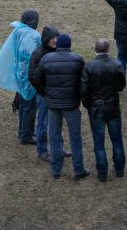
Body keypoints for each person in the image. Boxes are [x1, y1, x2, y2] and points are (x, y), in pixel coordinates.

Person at [33, 33, 89, 180]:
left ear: (58, 45)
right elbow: (84, 81)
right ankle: (78, 169)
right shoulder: (78, 60)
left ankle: (56, 169)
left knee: (54, 137)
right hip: (71, 105)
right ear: (69, 45)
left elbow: (36, 78)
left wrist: (47, 92)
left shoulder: (46, 59)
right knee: (75, 137)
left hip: (53, 105)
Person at [0, 10, 42, 147]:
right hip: (28, 76)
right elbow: (29, 56)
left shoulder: (19, 31)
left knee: (24, 106)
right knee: (30, 106)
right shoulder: (31, 35)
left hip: (20, 74)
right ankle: (26, 135)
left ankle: (23, 131)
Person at [80, 39, 127, 182]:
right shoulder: (116, 64)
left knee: (99, 142)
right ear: (108, 49)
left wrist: (88, 104)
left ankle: (102, 173)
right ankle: (119, 170)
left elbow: (83, 90)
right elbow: (121, 85)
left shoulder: (89, 66)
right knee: (117, 140)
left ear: (95, 49)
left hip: (96, 108)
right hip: (112, 106)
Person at [29, 24, 60, 162]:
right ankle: (42, 150)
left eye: (57, 37)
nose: (55, 40)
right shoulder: (38, 53)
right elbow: (32, 77)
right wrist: (45, 92)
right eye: (52, 38)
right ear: (46, 39)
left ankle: (59, 148)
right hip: (44, 95)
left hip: (58, 94)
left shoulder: (61, 50)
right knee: (42, 123)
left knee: (57, 122)